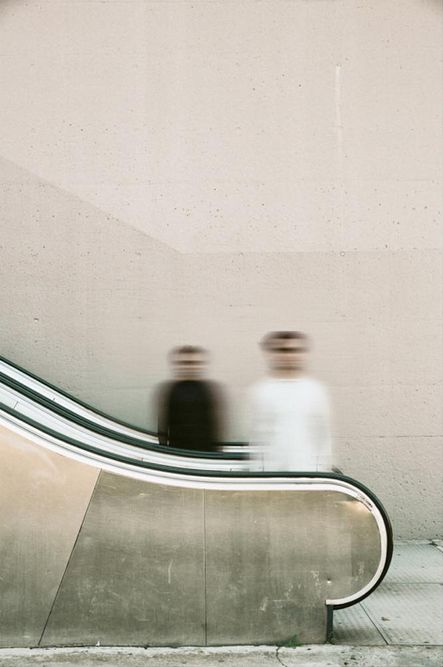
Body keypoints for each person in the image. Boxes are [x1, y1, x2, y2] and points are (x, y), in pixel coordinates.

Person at [248, 331, 332, 472]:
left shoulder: (315, 391)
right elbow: (256, 439)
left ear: (302, 354)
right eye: (282, 350)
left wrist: (322, 474)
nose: (288, 356)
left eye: (294, 350)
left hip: (308, 473)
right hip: (270, 475)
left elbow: (323, 438)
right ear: (271, 354)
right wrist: (257, 473)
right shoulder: (261, 391)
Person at [156, 345, 224, 453]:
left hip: (203, 452)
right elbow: (163, 426)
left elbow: (215, 426)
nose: (188, 366)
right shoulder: (170, 390)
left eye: (192, 363)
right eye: (185, 363)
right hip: (178, 452)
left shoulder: (209, 390)